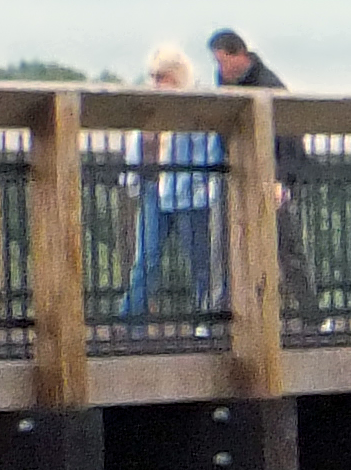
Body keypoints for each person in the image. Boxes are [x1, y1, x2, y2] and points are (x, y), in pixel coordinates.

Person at [118, 44, 221, 324]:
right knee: (147, 258)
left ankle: (205, 319)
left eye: (162, 76)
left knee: (199, 260)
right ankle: (130, 320)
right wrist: (132, 178)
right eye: (153, 76)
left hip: (189, 192)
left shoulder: (195, 106)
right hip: (154, 188)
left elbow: (206, 152)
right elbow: (135, 147)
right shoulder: (148, 109)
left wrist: (201, 183)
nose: (155, 83)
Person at [206, 27, 301, 314]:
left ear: (240, 55)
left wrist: (281, 180)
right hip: (238, 173)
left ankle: (310, 313)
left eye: (223, 61)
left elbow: (289, 138)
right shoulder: (225, 81)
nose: (220, 68)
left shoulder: (269, 84)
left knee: (286, 246)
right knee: (227, 245)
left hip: (272, 175)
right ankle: (223, 311)